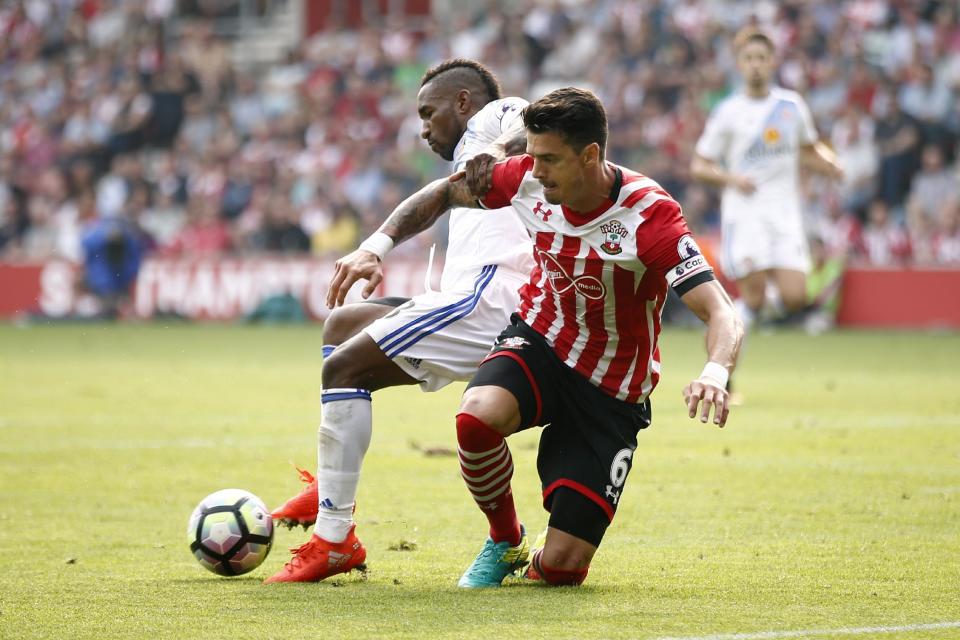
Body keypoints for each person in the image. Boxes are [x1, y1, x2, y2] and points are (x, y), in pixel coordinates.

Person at [328, 87, 743, 587]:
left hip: (610, 389)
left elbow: (720, 309)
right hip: (540, 340)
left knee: (564, 570)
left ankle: (546, 557)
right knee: (476, 418)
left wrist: (715, 373)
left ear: (590, 155)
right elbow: (443, 192)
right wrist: (375, 247)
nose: (537, 170)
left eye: (549, 160)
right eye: (532, 155)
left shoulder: (648, 216)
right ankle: (504, 539)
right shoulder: (525, 177)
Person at [264, 59, 534, 583]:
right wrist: (373, 248)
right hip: (470, 294)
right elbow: (430, 202)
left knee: (343, 369)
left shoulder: (499, 115)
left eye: (428, 113)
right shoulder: (464, 162)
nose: (423, 127)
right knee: (342, 326)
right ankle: (330, 485)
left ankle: (335, 538)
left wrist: (501, 148)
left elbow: (532, 122)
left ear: (463, 102)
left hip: (493, 299)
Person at [690, 27, 843, 333]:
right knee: (754, 295)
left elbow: (807, 151)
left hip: (784, 212)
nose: (756, 64)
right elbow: (699, 166)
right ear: (740, 64)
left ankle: (733, 322)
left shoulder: (791, 106)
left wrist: (832, 165)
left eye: (762, 58)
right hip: (745, 212)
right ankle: (725, 362)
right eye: (749, 58)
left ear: (773, 62)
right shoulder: (728, 111)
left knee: (796, 296)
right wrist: (732, 178)